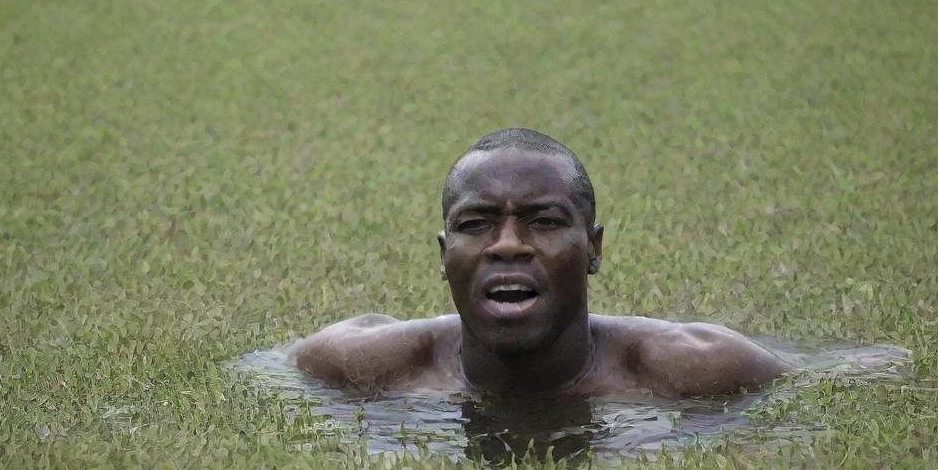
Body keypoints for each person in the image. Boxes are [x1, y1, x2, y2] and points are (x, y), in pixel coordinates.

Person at [288, 129, 788, 397]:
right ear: (444, 256)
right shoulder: (357, 366)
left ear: (593, 249)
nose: (508, 245)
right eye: (476, 223)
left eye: (543, 221)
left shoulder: (702, 370)